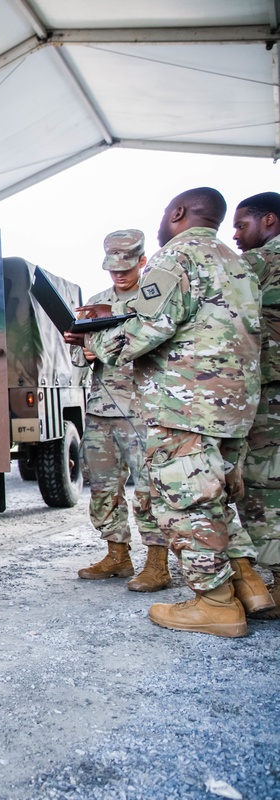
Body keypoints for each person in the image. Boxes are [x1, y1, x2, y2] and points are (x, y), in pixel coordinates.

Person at [83, 187, 274, 637]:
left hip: (184, 405)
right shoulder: (239, 263)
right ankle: (248, 586)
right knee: (218, 497)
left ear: (179, 212)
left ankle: (215, 603)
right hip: (234, 406)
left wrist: (89, 339)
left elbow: (140, 334)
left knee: (187, 503)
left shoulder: (177, 257)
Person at [75, 230, 169, 591]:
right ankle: (117, 556)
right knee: (102, 488)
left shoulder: (154, 301)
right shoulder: (96, 301)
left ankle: (158, 564)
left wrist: (106, 344)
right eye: (112, 268)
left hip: (143, 411)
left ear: (143, 261)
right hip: (101, 410)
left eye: (126, 267)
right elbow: (79, 355)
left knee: (150, 489)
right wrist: (83, 351)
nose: (118, 274)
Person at [232, 191, 280, 617]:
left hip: (269, 392)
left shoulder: (257, 263)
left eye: (241, 225)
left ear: (269, 220)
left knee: (263, 484)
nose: (235, 235)